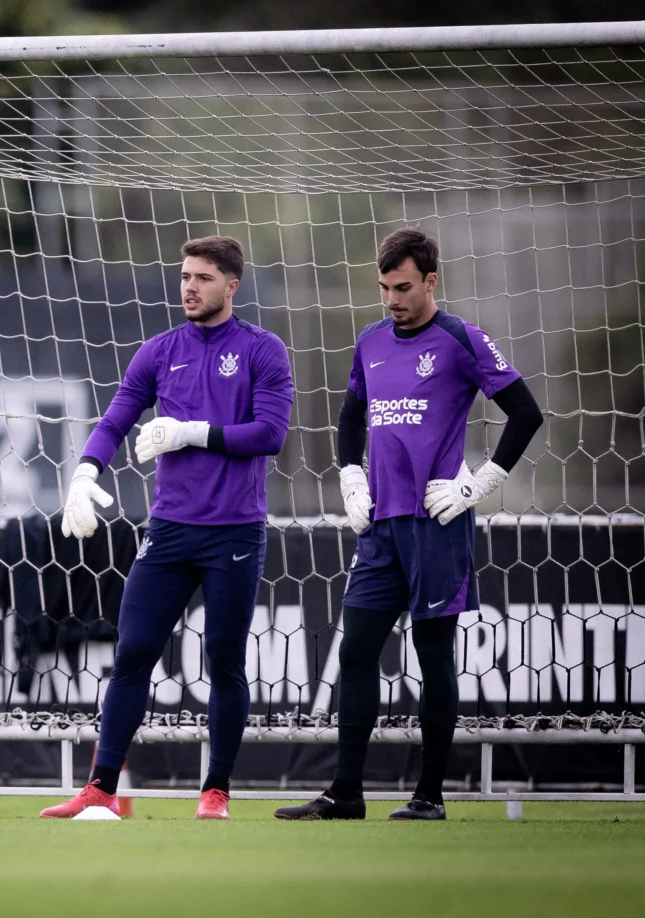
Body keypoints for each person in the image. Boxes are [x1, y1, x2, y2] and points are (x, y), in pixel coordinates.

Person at [275, 227, 542, 821]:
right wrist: (351, 476)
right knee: (355, 652)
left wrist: (478, 484)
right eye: (384, 288)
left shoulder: (461, 338)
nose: (391, 299)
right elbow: (351, 416)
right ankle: (345, 794)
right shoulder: (370, 341)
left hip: (436, 523)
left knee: (433, 655)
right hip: (380, 527)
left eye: (402, 287)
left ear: (430, 281)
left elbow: (526, 412)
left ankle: (429, 797)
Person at [40, 236, 293, 820]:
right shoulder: (159, 351)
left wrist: (188, 432)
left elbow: (270, 434)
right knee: (132, 653)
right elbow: (116, 419)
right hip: (170, 531)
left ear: (231, 285)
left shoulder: (262, 349)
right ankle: (100, 789)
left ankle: (216, 791)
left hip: (234, 532)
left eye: (203, 278)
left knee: (224, 661)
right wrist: (84, 474)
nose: (189, 287)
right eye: (185, 277)